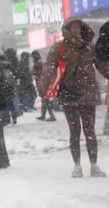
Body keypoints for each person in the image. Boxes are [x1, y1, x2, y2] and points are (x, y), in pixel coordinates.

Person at [40, 18, 109, 178]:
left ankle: (94, 165)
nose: (76, 29)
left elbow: (101, 64)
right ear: (67, 29)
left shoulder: (88, 47)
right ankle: (77, 165)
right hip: (68, 93)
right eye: (73, 27)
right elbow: (49, 67)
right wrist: (43, 88)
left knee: (90, 131)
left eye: (78, 26)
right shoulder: (59, 47)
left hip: (87, 92)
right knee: (75, 131)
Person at [32, 50, 56, 121]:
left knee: (45, 99)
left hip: (42, 83)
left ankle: (51, 115)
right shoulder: (41, 62)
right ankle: (43, 115)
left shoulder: (38, 63)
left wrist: (34, 73)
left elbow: (39, 73)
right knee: (44, 99)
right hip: (43, 82)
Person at [0, 54, 18, 126]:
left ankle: (6, 119)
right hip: (11, 86)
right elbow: (16, 74)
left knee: (5, 104)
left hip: (4, 87)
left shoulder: (0, 66)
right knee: (11, 103)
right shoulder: (10, 65)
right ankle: (14, 118)